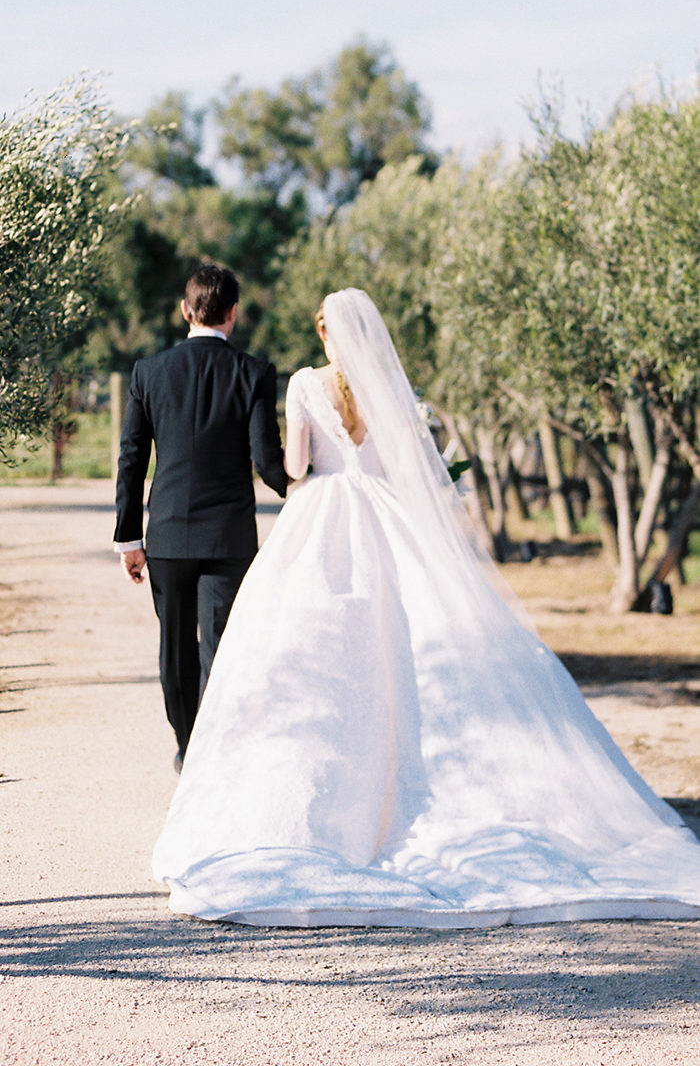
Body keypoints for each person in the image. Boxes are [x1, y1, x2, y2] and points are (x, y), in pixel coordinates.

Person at [153, 288, 700, 926]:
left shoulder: (304, 383)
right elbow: (409, 470)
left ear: (326, 334)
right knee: (414, 644)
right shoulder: (394, 392)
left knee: (315, 658)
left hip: (323, 519)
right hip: (389, 521)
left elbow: (296, 465)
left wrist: (300, 463)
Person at [114, 260, 287, 769]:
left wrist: (129, 538)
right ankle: (215, 750)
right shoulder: (254, 373)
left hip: (165, 536)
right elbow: (268, 462)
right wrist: (310, 487)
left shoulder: (149, 371)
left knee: (174, 649)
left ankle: (188, 747)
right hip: (228, 539)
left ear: (185, 310)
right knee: (221, 647)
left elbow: (130, 458)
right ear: (233, 313)